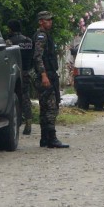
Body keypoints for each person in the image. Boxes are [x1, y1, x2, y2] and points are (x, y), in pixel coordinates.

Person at [32, 11, 69, 148]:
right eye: (47, 20)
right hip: (46, 76)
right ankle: (51, 137)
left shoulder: (44, 35)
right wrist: (44, 75)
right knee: (51, 107)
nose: (50, 22)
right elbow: (38, 57)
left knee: (45, 107)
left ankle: (45, 138)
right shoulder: (41, 36)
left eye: (50, 20)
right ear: (41, 21)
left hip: (49, 75)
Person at [6, 19, 34, 135]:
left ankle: (16, 122)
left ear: (11, 29)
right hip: (26, 72)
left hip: (14, 74)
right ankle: (28, 121)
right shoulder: (28, 41)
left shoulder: (9, 42)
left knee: (14, 98)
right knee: (26, 97)